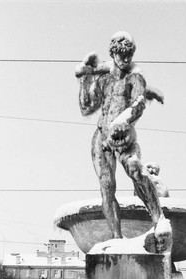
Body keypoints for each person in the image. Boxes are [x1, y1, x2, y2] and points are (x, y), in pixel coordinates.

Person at [75, 31, 171, 247]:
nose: (126, 59)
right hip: (101, 138)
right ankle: (117, 239)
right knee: (107, 189)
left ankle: (159, 219)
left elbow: (138, 104)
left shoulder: (134, 78)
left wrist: (122, 120)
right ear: (114, 54)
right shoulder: (104, 80)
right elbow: (86, 107)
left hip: (123, 135)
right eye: (121, 54)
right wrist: (83, 79)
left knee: (136, 170)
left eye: (129, 54)